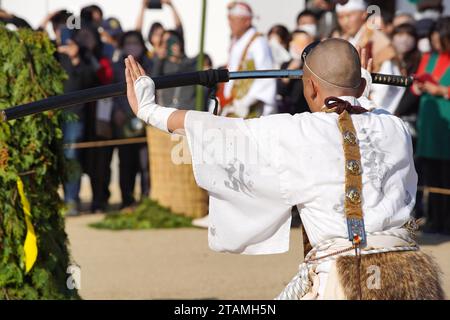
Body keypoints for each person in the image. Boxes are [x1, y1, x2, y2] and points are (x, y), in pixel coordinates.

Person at [123, 38, 443, 299]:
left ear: (311, 89)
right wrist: (362, 87)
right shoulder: (395, 129)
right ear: (359, 87)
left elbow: (214, 129)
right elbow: (367, 111)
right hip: (409, 276)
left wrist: (149, 110)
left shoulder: (293, 131)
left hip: (340, 282)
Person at [413, 17, 450, 234]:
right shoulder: (427, 57)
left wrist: (443, 91)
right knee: (430, 173)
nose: (437, 45)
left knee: (447, 174)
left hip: (446, 120)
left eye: (441, 41)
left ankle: (447, 220)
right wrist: (418, 86)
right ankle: (434, 217)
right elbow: (416, 84)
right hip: (429, 119)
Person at [334, 0, 405, 114]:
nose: (344, 22)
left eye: (349, 16)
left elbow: (386, 83)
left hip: (371, 108)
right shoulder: (343, 40)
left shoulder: (378, 41)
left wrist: (369, 106)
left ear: (363, 14)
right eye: (340, 17)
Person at [112, 31, 152, 210]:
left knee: (145, 163)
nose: (132, 46)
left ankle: (145, 200)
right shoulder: (116, 67)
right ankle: (126, 200)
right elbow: (111, 93)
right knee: (126, 162)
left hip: (146, 120)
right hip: (124, 120)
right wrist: (117, 111)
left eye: (136, 42)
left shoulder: (150, 64)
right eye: (128, 43)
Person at [217, 1, 276, 118]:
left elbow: (266, 75)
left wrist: (246, 102)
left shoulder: (258, 42)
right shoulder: (237, 42)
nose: (230, 24)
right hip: (231, 106)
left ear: (247, 21)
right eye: (229, 20)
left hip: (248, 109)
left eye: (233, 20)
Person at [277, 30, 314, 114]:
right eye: (299, 43)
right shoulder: (285, 65)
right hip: (290, 112)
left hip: (308, 111)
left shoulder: (314, 65)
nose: (303, 47)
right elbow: (280, 90)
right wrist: (290, 70)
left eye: (307, 43)